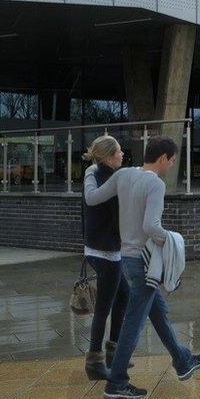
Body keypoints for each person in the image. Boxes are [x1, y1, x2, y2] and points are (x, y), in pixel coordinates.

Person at [84, 136, 200, 399]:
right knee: (133, 323)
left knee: (159, 312)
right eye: (172, 160)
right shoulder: (155, 184)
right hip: (143, 262)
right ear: (163, 158)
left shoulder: (124, 175)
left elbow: (92, 198)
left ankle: (183, 361)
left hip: (127, 259)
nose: (172, 165)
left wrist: (90, 171)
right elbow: (151, 227)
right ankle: (116, 383)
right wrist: (174, 242)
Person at [81, 136, 128, 381]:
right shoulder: (108, 178)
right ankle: (95, 362)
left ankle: (113, 353)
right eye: (119, 151)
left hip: (97, 249)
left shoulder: (96, 173)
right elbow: (117, 217)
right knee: (103, 309)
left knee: (124, 295)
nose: (123, 155)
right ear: (110, 156)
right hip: (106, 252)